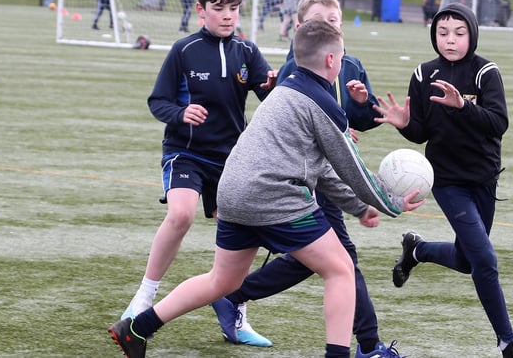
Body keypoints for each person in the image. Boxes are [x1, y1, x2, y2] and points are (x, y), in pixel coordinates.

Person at [108, 19, 426, 358]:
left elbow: (324, 171)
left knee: (223, 281)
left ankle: (137, 328)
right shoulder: (322, 103)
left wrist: (361, 207)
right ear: (332, 61)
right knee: (340, 268)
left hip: (232, 194)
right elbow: (351, 167)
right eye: (342, 54)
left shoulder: (287, 88)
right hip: (273, 199)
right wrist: (391, 203)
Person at [211, 0, 404, 357]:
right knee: (341, 259)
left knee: (326, 261)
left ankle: (234, 295)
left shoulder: (351, 65)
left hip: (330, 171)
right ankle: (367, 345)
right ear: (300, 27)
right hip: (303, 180)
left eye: (334, 21)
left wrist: (363, 105)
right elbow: (283, 123)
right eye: (319, 20)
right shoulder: (293, 69)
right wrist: (368, 200)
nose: (328, 26)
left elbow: (359, 121)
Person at [373, 2, 513, 358]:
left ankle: (416, 249)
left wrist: (464, 106)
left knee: (467, 261)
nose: (450, 39)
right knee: (484, 259)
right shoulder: (423, 74)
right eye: (442, 32)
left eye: (459, 32)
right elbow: (421, 133)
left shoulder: (486, 73)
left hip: (484, 179)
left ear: (472, 34)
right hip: (448, 182)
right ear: (434, 35)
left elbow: (499, 123)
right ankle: (508, 343)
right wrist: (405, 125)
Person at [118, 0, 277, 324]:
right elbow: (157, 101)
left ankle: (235, 309)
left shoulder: (248, 51)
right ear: (200, 10)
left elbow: (270, 99)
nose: (227, 15)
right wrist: (180, 112)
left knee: (243, 231)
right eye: (219, 8)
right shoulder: (183, 51)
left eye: (234, 8)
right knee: (181, 214)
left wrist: (270, 85)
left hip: (232, 161)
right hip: (186, 153)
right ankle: (144, 297)